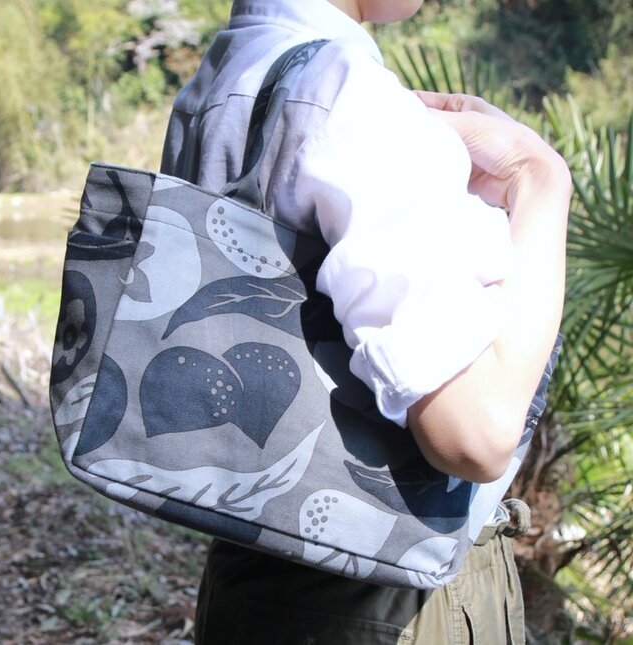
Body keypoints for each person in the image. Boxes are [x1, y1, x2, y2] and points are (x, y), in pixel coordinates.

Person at [160, 0, 570, 643]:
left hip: (256, 573)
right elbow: (476, 435)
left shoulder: (230, 68)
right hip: (386, 593)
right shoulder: (347, 90)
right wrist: (541, 180)